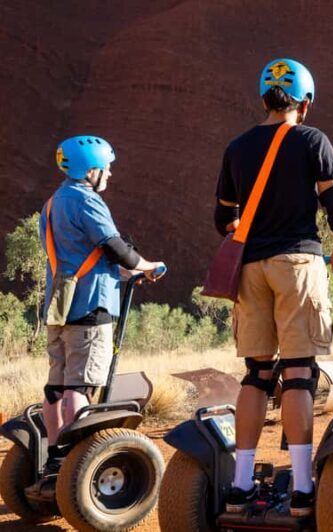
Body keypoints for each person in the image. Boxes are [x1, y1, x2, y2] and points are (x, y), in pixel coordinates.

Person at [214, 58, 333, 517]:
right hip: (298, 261)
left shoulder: (237, 147)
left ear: (264, 98)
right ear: (306, 103)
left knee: (256, 375)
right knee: (298, 372)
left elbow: (223, 219)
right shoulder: (311, 139)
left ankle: (239, 488)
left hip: (250, 269)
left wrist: (253, 231)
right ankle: (301, 489)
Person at [30, 135, 164, 497]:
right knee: (82, 385)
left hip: (60, 306)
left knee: (56, 384)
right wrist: (146, 265)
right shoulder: (87, 201)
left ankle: (56, 457)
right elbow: (114, 246)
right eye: (106, 168)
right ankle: (78, 459)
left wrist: (124, 272)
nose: (109, 174)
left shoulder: (53, 203)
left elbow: (78, 254)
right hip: (92, 304)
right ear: (90, 170)